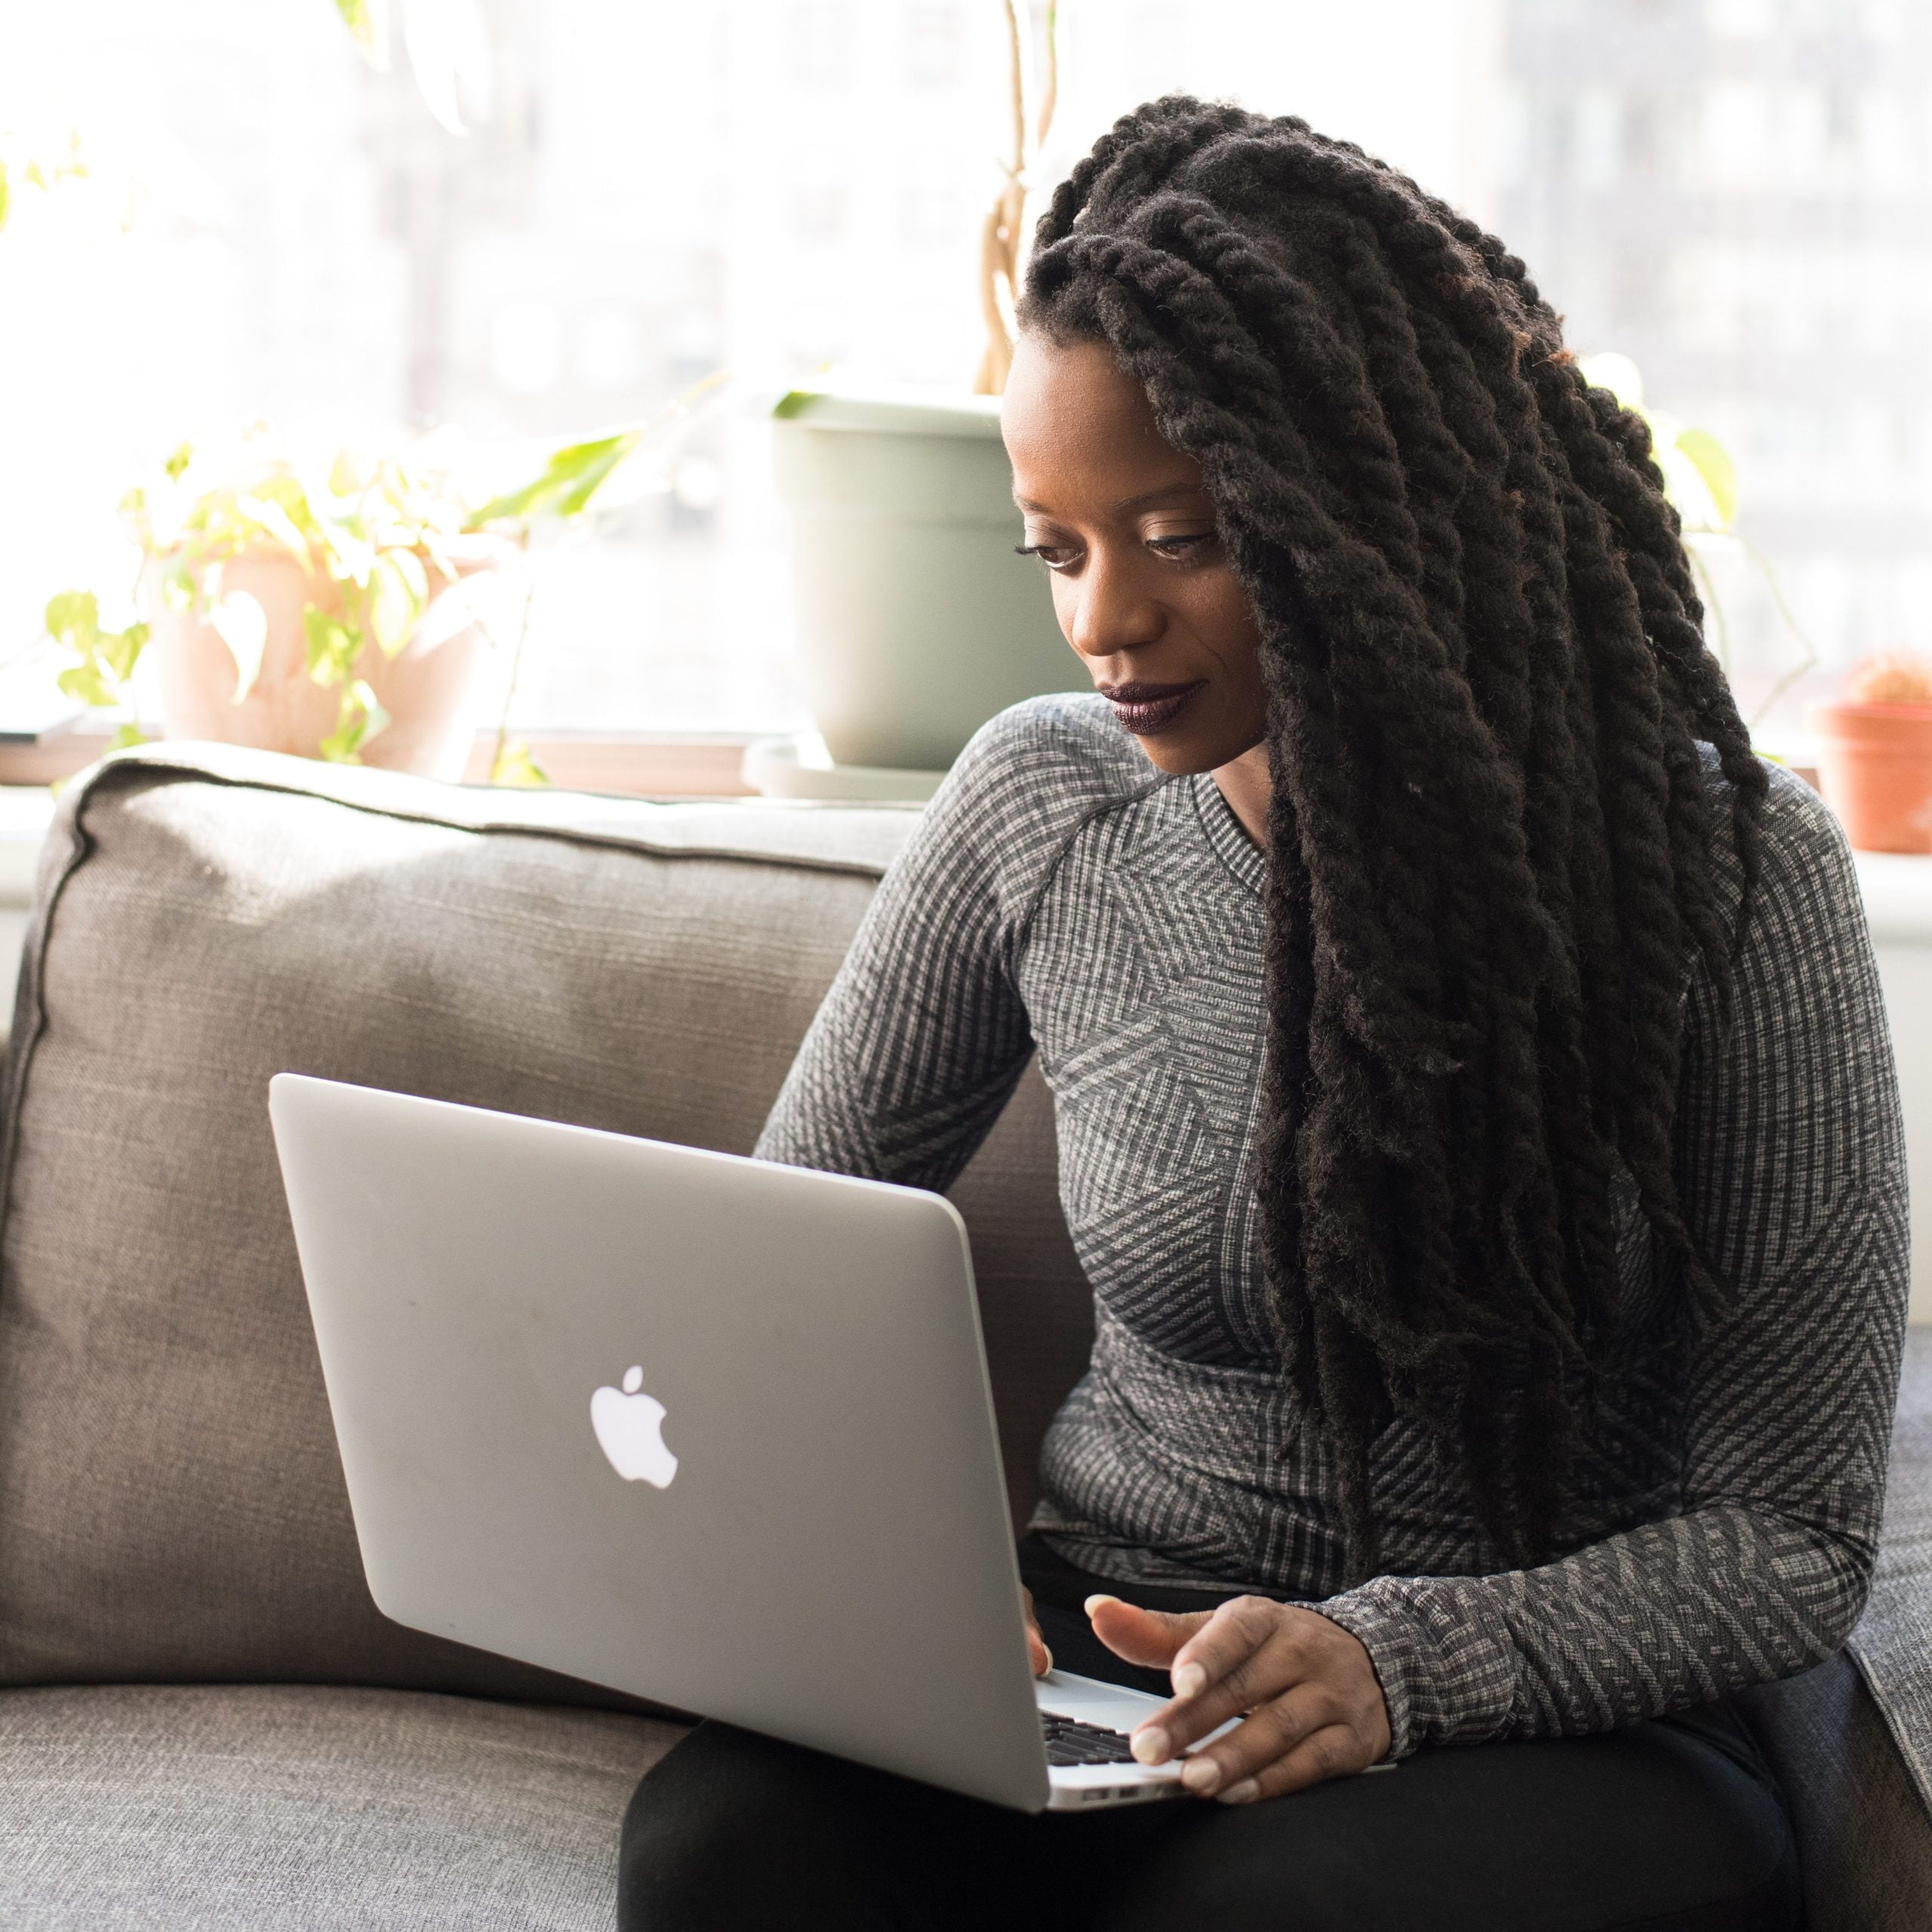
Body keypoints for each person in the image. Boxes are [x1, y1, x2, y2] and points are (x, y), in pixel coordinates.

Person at [618, 97, 1907, 1930]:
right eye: (1053, 548)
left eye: (1178, 534)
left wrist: (1394, 1664)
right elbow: (767, 1266)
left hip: (1534, 1711)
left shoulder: (1729, 875)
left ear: (1374, 513)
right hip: (1106, 1649)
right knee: (719, 1851)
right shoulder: (1038, 808)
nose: (1102, 621)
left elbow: (1791, 1533)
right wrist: (886, 1574)